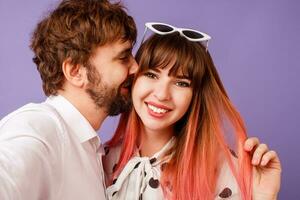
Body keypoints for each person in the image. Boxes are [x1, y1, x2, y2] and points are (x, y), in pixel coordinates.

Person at [103, 22, 281, 200]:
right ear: (133, 78)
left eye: (181, 83)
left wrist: (264, 196)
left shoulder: (223, 169)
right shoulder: (102, 160)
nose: (162, 94)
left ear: (195, 95)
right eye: (151, 75)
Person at [0, 0, 138, 199]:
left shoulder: (89, 147)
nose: (135, 67)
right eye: (123, 57)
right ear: (75, 72)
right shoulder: (37, 131)